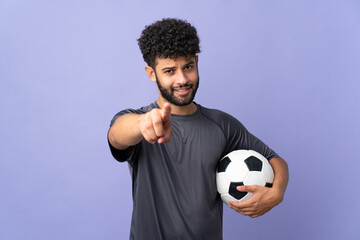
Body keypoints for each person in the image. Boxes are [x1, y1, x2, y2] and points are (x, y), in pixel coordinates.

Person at [107, 18, 289, 240]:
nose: (182, 79)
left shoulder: (222, 124)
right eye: (169, 71)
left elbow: (275, 160)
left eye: (188, 67)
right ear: (151, 73)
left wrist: (277, 191)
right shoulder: (136, 120)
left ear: (197, 62)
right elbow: (117, 136)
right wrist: (142, 124)